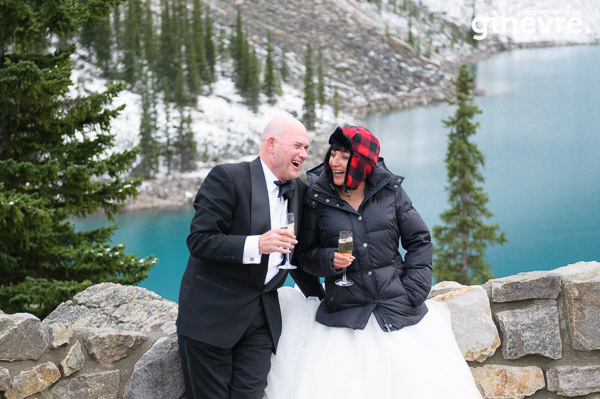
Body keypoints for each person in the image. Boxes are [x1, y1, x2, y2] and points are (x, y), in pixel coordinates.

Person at [265, 126, 482, 399]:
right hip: (345, 315)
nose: (334, 162)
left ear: (362, 161)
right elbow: (303, 255)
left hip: (398, 312)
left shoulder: (390, 191)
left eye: (344, 156)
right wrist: (328, 260)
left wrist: (414, 290)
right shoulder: (317, 197)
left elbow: (420, 240)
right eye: (332, 154)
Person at [176, 114, 326, 399]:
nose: (304, 154)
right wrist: (256, 244)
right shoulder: (227, 178)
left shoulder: (300, 191)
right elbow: (199, 240)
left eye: (306, 148)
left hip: (261, 322)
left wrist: (322, 299)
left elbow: (296, 256)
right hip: (211, 318)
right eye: (298, 146)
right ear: (272, 144)